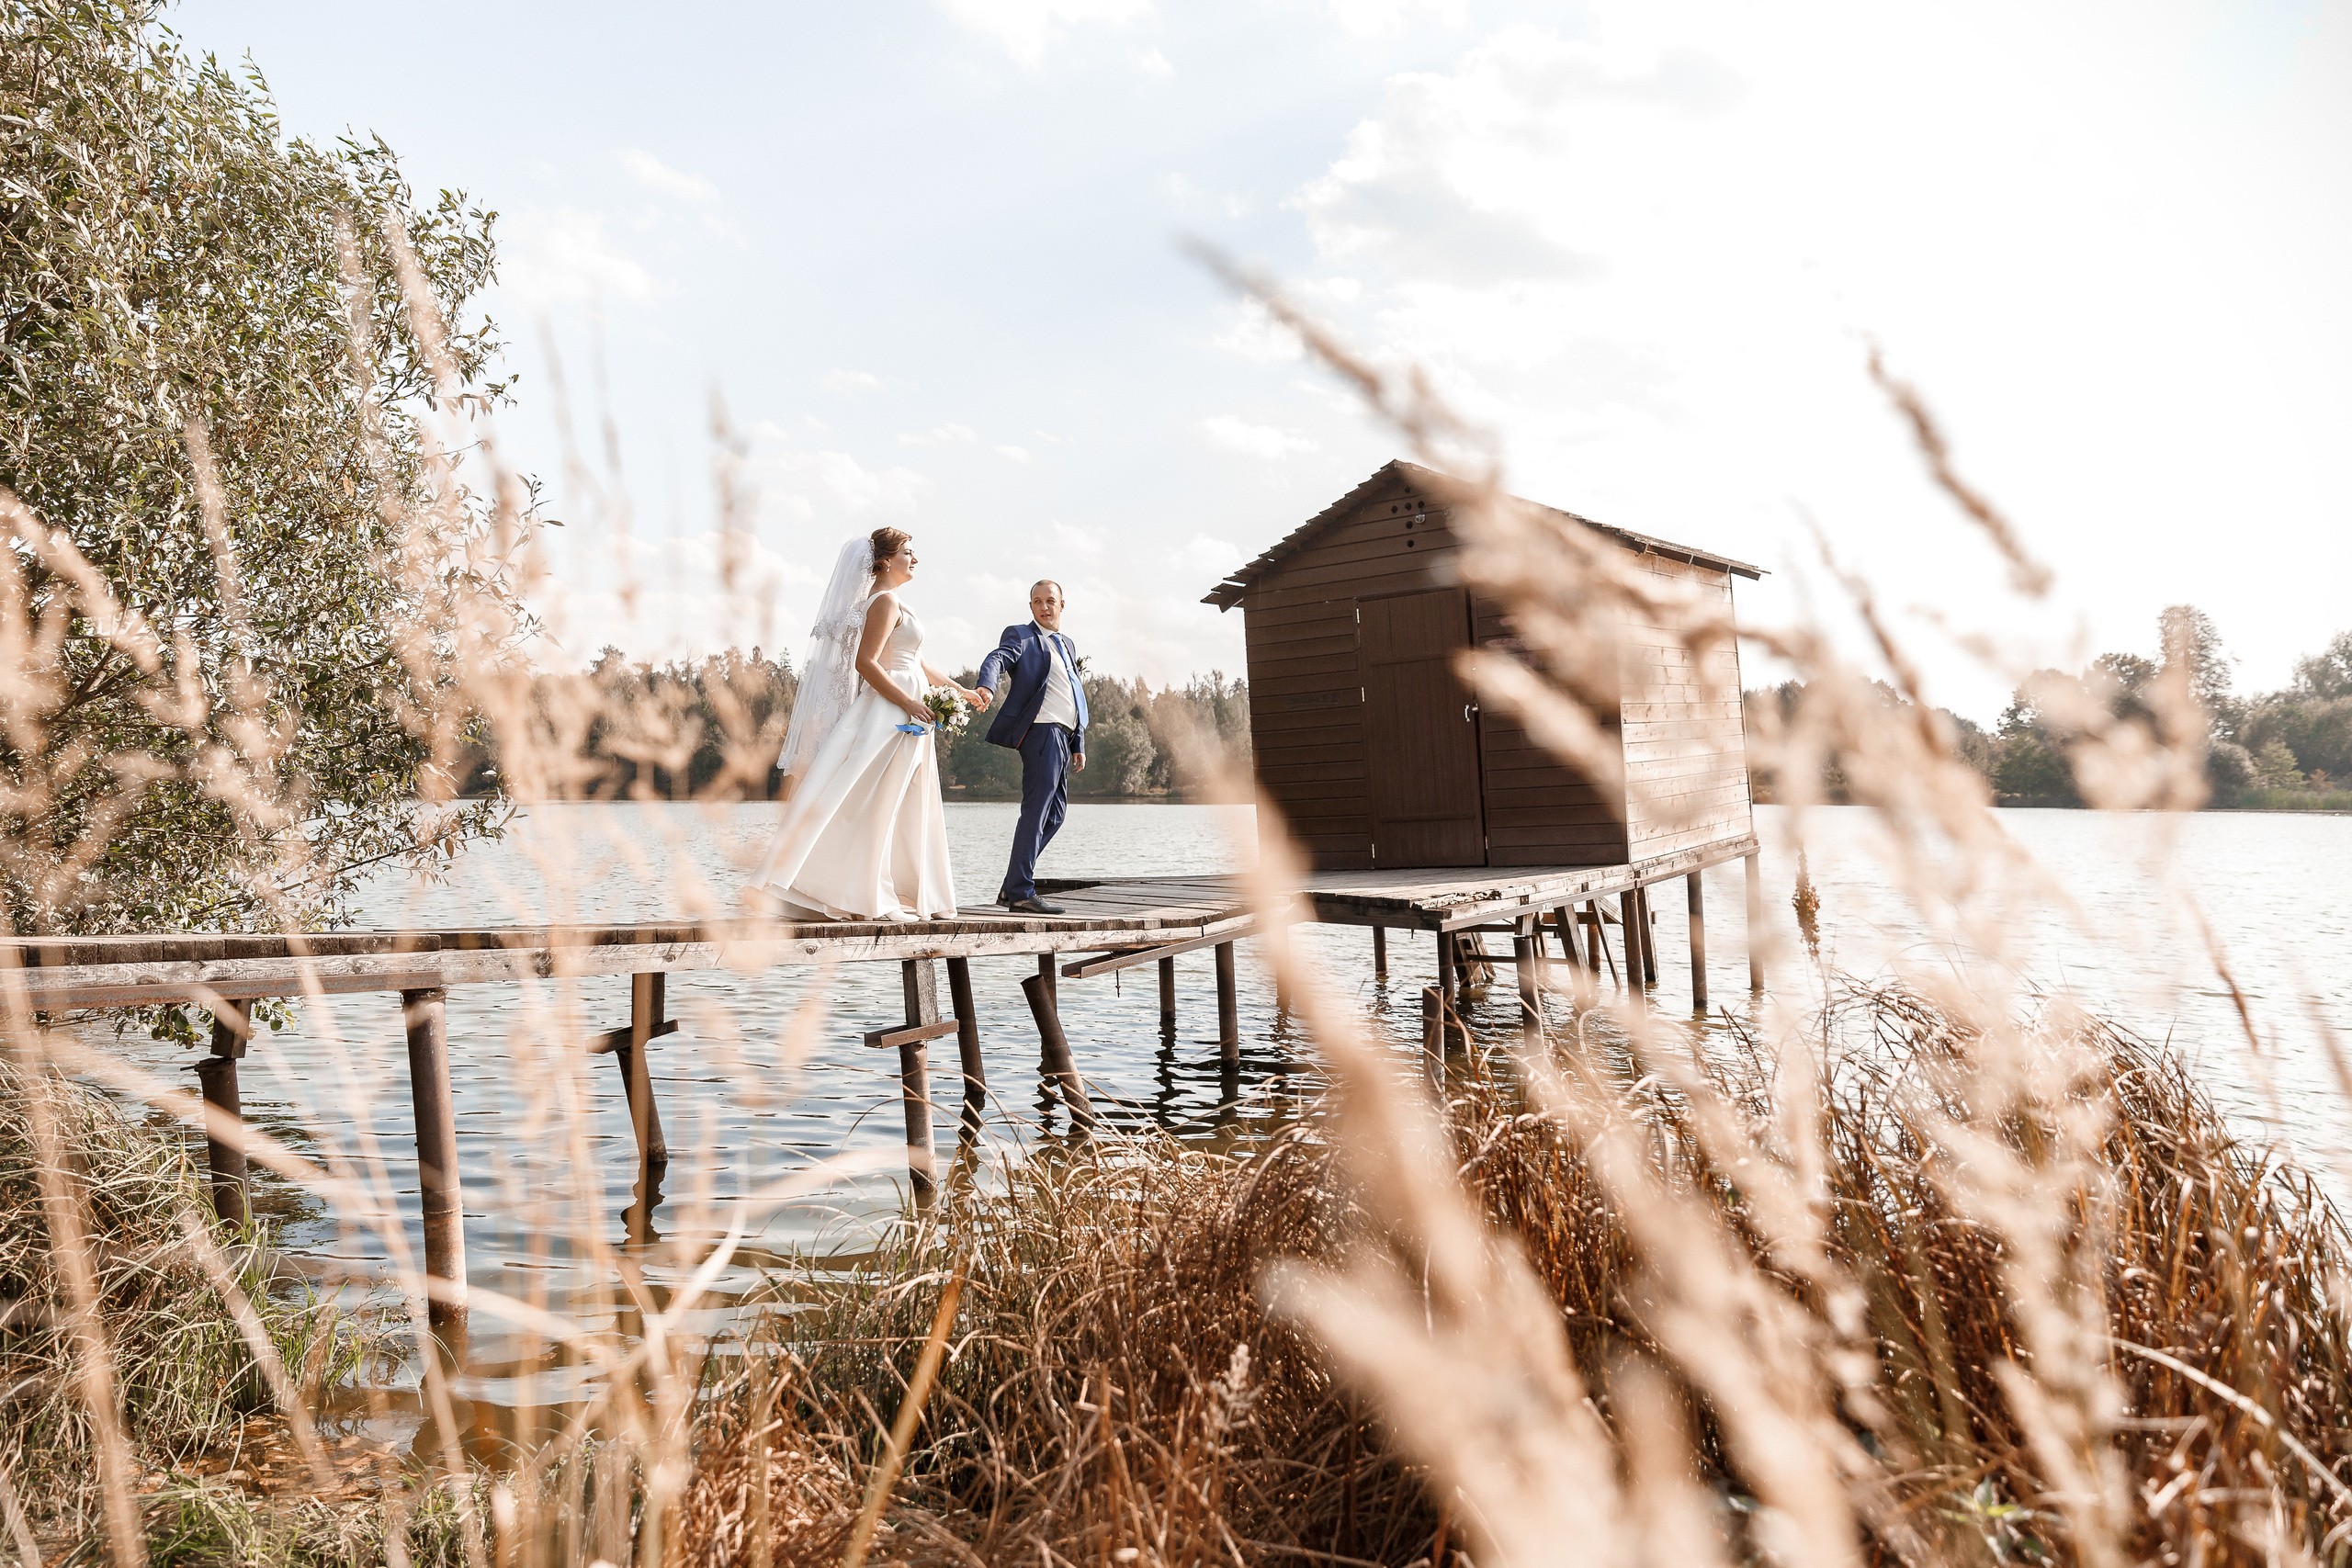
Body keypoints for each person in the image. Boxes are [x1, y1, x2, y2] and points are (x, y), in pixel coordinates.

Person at [742, 529, 990, 921]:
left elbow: (919, 662)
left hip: (909, 710)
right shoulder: (885, 602)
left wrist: (961, 691)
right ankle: (852, 893)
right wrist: (908, 701)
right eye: (909, 552)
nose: (916, 559)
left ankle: (907, 893)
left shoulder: (895, 604)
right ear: (887, 560)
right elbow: (867, 663)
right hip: (889, 711)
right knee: (870, 801)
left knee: (899, 801)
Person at [975, 580, 1089, 915]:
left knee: (1055, 815)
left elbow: (1073, 692)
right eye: (1037, 602)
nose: (1044, 607)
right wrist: (986, 685)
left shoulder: (1066, 643)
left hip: (1063, 738)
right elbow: (997, 658)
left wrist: (1078, 740)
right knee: (1036, 813)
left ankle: (1012, 886)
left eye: (1050, 601)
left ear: (1062, 604)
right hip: (1040, 734)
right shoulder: (1021, 636)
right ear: (1031, 607)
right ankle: (1021, 891)